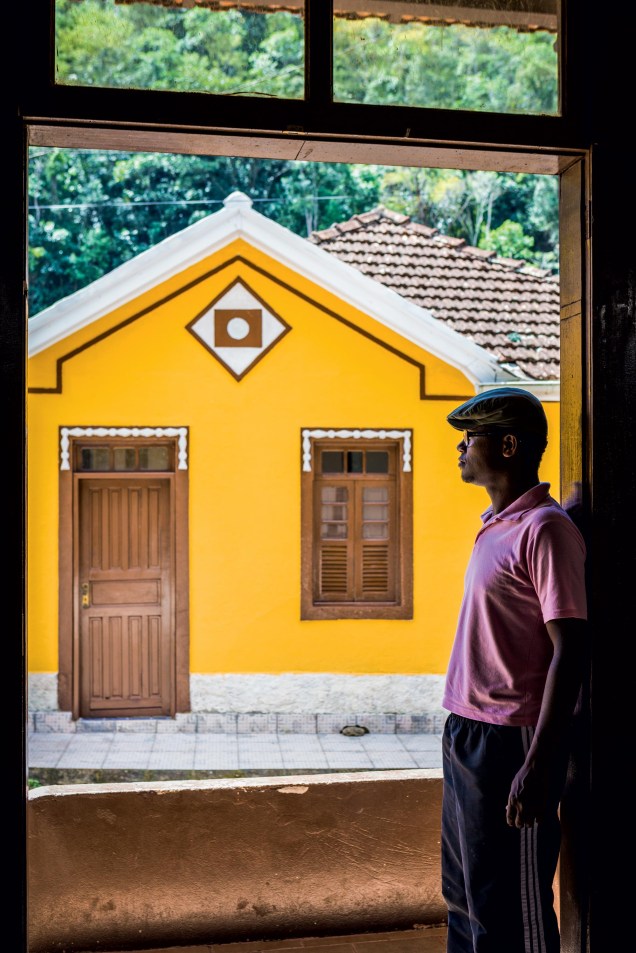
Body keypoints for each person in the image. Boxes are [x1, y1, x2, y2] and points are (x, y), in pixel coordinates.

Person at [441, 387, 588, 953]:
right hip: (466, 729)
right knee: (467, 896)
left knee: (513, 910)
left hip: (512, 739)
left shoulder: (545, 531)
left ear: (506, 445)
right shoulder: (495, 524)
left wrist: (538, 764)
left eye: (468, 438)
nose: (459, 447)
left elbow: (570, 648)